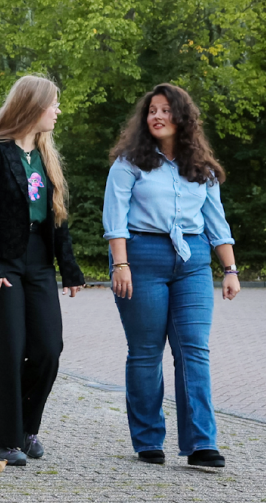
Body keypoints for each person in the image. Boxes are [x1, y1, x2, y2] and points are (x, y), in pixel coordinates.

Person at [102, 83, 239, 468]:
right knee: (146, 353)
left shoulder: (202, 169)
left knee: (194, 349)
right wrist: (121, 264)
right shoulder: (129, 163)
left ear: (182, 117)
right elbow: (114, 219)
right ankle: (148, 440)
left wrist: (229, 269)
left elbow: (216, 223)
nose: (157, 116)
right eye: (151, 111)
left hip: (193, 260)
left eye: (165, 110)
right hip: (141, 256)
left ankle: (201, 444)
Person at [0, 75, 85, 467]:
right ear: (32, 106)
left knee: (48, 350)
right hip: (4, 263)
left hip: (39, 263)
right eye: (53, 104)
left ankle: (26, 428)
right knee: (8, 352)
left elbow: (56, 218)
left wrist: (69, 268)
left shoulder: (45, 155)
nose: (57, 111)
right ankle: (3, 439)